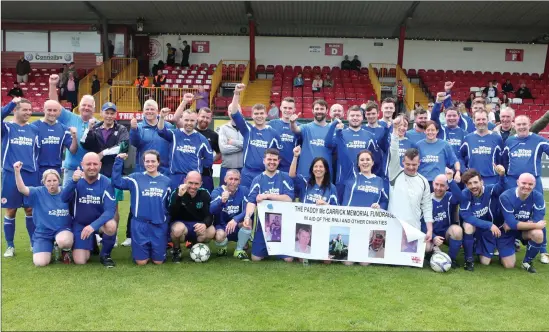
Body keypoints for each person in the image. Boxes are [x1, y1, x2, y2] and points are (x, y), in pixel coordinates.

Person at [113, 151, 172, 265]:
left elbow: (168, 205)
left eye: (153, 161)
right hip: (140, 225)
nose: (150, 164)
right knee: (141, 262)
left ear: (158, 162)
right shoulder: (135, 178)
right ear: (143, 163)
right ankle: (141, 250)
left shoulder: (166, 181)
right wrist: (118, 161)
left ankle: (156, 249)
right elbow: (117, 182)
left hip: (158, 225)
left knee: (158, 261)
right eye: (147, 161)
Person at [60, 153, 117, 267]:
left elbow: (110, 211)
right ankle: (91, 243)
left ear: (100, 165)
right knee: (80, 261)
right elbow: (64, 198)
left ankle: (105, 255)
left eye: (95, 164)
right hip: (80, 224)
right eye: (88, 164)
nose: (92, 167)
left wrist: (93, 226)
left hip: (99, 224)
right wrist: (73, 182)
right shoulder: (75, 180)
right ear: (82, 165)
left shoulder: (106, 182)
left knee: (111, 225)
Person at [13, 163, 73, 266]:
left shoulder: (65, 192)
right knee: (40, 263)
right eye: (48, 181)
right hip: (43, 233)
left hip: (62, 230)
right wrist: (17, 172)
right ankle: (51, 248)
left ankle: (64, 250)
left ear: (59, 181)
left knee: (64, 241)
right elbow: (22, 189)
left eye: (54, 180)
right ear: (44, 182)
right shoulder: (38, 192)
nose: (52, 183)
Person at [2, 98, 40, 257]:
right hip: (11, 174)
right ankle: (10, 246)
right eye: (24, 109)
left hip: (30, 174)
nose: (28, 113)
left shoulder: (34, 129)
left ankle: (33, 243)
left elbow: (37, 153)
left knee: (30, 209)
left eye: (30, 110)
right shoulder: (7, 127)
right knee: (10, 210)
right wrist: (11, 103)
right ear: (15, 110)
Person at [80, 102, 129, 224]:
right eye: (107, 113)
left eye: (112, 113)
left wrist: (103, 153)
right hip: (96, 172)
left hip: (114, 172)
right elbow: (84, 143)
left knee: (113, 205)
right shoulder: (95, 128)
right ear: (101, 113)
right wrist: (88, 129)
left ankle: (113, 235)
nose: (109, 116)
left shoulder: (121, 129)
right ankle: (97, 234)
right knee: (94, 204)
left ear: (116, 115)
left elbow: (123, 146)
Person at [243, 149, 295, 262]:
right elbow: (251, 202)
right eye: (269, 159)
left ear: (279, 161)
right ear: (264, 161)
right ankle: (266, 248)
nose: (272, 162)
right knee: (256, 259)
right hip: (263, 226)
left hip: (282, 226)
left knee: (289, 260)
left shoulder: (285, 177)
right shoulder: (258, 179)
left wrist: (267, 196)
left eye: (275, 160)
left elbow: (289, 199)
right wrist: (247, 217)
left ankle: (278, 250)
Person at [388, 116, 433, 241]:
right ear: (403, 162)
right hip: (393, 227)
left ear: (419, 163)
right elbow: (394, 150)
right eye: (408, 164)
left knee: (420, 252)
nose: (411, 167)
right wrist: (395, 130)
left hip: (413, 229)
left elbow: (427, 206)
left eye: (414, 165)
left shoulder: (423, 181)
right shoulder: (395, 173)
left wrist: (429, 229)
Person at [229, 84, 281, 188]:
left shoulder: (274, 134)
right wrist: (236, 93)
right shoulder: (247, 129)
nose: (259, 116)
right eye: (256, 114)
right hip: (247, 174)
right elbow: (234, 113)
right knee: (247, 201)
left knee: (264, 202)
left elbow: (278, 156)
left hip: (265, 174)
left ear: (266, 115)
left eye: (261, 113)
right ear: (252, 116)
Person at [47, 74, 95, 187]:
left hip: (90, 171)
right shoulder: (70, 117)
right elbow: (54, 104)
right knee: (66, 201)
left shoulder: (97, 124)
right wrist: (53, 85)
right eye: (84, 105)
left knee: (87, 203)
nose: (86, 108)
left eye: (89, 106)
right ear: (79, 106)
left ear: (94, 108)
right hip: (71, 169)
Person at [325, 106, 379, 200]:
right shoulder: (340, 133)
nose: (355, 118)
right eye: (352, 115)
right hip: (342, 179)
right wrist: (333, 125)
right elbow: (328, 144)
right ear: (347, 117)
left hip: (363, 180)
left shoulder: (369, 136)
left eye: (358, 115)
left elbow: (376, 160)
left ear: (362, 117)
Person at [459, 167, 506, 271]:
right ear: (466, 185)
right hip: (477, 228)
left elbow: (501, 187)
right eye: (470, 183)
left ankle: (477, 246)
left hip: (487, 231)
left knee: (485, 262)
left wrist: (502, 175)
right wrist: (489, 225)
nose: (473, 186)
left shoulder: (489, 189)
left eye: (476, 182)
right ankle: (469, 259)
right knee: (468, 226)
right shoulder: (464, 194)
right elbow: (466, 216)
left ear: (482, 182)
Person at [499, 173, 547, 272]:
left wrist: (516, 224)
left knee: (538, 233)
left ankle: (527, 262)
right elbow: (511, 223)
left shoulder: (538, 196)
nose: (527, 186)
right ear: (517, 182)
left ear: (534, 184)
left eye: (530, 184)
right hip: (506, 232)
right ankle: (505, 250)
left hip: (522, 230)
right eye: (524, 183)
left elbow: (538, 219)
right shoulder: (506, 196)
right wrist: (533, 224)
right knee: (509, 265)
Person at [158, 108, 213, 190]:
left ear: (196, 120)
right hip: (176, 177)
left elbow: (209, 160)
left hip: (193, 179)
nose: (189, 123)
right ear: (181, 119)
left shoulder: (202, 139)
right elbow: (161, 131)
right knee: (175, 201)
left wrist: (196, 166)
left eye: (192, 120)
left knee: (191, 202)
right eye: (186, 120)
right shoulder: (174, 134)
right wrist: (161, 118)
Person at [169, 171, 215, 263]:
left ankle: (195, 246)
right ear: (185, 181)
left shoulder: (204, 193)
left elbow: (210, 215)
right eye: (190, 183)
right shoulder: (177, 192)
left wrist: (205, 224)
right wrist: (179, 197)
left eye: (196, 184)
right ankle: (176, 250)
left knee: (211, 231)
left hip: (197, 225)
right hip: (181, 224)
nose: (193, 186)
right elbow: (171, 213)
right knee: (177, 230)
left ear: (201, 184)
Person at [423, 169, 463, 267]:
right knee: (426, 247)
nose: (438, 188)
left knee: (457, 231)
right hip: (432, 235)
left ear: (447, 186)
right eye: (436, 184)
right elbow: (421, 223)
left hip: (447, 234)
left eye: (442, 185)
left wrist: (450, 180)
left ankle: (451, 259)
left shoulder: (450, 197)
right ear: (433, 184)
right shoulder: (426, 199)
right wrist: (433, 237)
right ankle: (432, 254)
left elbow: (460, 198)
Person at [210, 169, 251, 260]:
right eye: (230, 179)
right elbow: (212, 210)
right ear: (225, 179)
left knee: (248, 221)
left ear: (240, 181)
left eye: (236, 179)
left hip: (237, 224)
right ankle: (222, 247)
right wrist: (222, 201)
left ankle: (239, 250)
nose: (233, 182)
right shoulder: (217, 192)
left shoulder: (244, 190)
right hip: (222, 225)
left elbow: (248, 209)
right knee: (219, 236)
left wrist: (236, 219)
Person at [501, 115, 549, 194]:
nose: (521, 127)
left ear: (529, 125)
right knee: (510, 205)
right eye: (519, 124)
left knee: (535, 205)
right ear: (515, 126)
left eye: (524, 124)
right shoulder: (509, 142)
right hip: (513, 182)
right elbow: (504, 161)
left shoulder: (539, 140)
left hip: (533, 182)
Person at [290, 99, 333, 183]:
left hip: (324, 173)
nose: (319, 111)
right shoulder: (306, 127)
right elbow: (296, 129)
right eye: (317, 109)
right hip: (305, 172)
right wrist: (292, 123)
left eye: (322, 109)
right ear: (312, 111)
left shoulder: (332, 129)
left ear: (327, 111)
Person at [34, 100, 78, 180]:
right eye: (49, 110)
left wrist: (74, 137)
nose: (52, 113)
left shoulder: (64, 129)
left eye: (55, 110)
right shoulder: (34, 127)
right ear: (44, 110)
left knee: (54, 192)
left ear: (59, 112)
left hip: (56, 170)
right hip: (38, 169)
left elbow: (73, 150)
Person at [460, 108, 503, 186]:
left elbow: (501, 159)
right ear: (474, 121)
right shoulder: (468, 138)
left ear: (487, 120)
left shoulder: (497, 138)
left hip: (492, 179)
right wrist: (464, 170)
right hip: (471, 179)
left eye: (483, 119)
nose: (481, 122)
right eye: (478, 119)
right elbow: (460, 157)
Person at [415, 121, 460, 186]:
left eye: (433, 130)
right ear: (424, 131)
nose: (430, 132)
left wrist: (458, 172)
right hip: (422, 182)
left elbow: (455, 161)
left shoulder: (445, 145)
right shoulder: (418, 145)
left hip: (439, 183)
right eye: (428, 130)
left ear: (437, 131)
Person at [430, 94, 468, 167]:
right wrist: (438, 102)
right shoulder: (441, 130)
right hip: (443, 167)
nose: (451, 118)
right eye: (449, 116)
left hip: (460, 169)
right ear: (445, 117)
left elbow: (467, 154)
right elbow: (434, 117)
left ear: (459, 117)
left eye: (454, 116)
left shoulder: (464, 133)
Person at [268, 97, 298, 172]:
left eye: (290, 108)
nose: (287, 110)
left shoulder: (299, 127)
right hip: (273, 167)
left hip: (291, 168)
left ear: (294, 109)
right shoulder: (271, 124)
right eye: (285, 107)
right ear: (281, 108)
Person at [193, 107, 220, 193]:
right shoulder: (190, 131)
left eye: (207, 118)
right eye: (202, 117)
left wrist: (210, 160)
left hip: (206, 174)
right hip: (190, 172)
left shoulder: (214, 135)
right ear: (197, 116)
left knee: (207, 199)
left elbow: (219, 153)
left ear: (211, 119)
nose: (204, 120)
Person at [218, 111, 244, 185]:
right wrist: (243, 146)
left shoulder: (247, 128)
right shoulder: (223, 128)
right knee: (224, 194)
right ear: (228, 113)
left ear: (241, 112)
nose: (233, 112)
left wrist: (233, 142)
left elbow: (248, 145)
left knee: (241, 194)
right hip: (226, 168)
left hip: (242, 169)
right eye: (230, 110)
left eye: (236, 110)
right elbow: (223, 149)